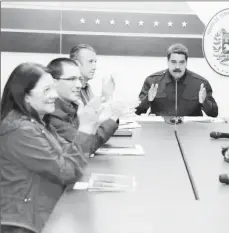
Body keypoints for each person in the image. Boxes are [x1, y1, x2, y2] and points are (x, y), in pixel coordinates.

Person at [0, 63, 102, 233]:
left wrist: (88, 127)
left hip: (40, 212)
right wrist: (85, 129)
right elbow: (67, 172)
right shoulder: (20, 130)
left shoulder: (38, 122)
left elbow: (68, 154)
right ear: (25, 96)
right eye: (46, 90)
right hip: (23, 223)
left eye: (53, 88)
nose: (54, 95)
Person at [46, 58, 134, 154]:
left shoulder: (74, 105)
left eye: (79, 79)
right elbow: (86, 147)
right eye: (71, 79)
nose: (79, 85)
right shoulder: (51, 113)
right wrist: (112, 117)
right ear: (53, 82)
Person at [134, 43, 219, 117]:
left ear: (186, 62)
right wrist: (147, 99)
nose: (177, 67)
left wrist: (205, 102)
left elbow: (214, 113)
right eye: (173, 62)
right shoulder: (152, 81)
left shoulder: (201, 84)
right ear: (168, 61)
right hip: (161, 130)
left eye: (181, 62)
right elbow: (137, 111)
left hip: (191, 131)